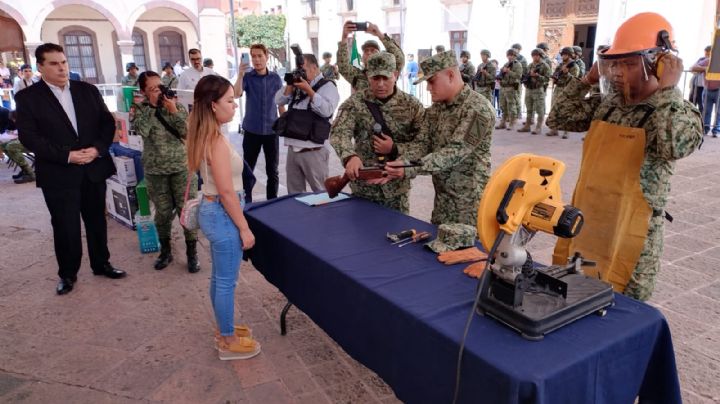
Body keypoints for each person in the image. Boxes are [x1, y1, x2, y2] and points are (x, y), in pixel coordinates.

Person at [547, 12, 703, 301]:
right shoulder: (608, 105)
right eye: (614, 63)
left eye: (629, 64)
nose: (618, 73)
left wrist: (669, 90)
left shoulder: (674, 111)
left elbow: (673, 145)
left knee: (622, 312)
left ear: (658, 62)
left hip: (632, 234)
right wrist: (586, 80)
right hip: (588, 225)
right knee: (571, 301)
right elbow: (558, 118)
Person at [15, 42, 126, 295]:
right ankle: (68, 274)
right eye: (54, 64)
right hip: (58, 173)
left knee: (97, 220)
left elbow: (106, 124)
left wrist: (97, 149)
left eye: (63, 62)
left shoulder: (87, 90)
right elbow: (29, 137)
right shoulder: (28, 98)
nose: (61, 68)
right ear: (40, 67)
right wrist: (67, 156)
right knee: (65, 226)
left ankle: (102, 264)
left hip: (92, 167)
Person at [186, 74, 260, 360]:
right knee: (226, 281)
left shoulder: (210, 134)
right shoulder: (214, 140)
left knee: (219, 278)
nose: (235, 105)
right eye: (229, 100)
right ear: (213, 105)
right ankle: (227, 340)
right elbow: (228, 192)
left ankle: (224, 328)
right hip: (221, 211)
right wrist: (244, 228)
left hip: (215, 208)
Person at [384, 50, 495, 226]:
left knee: (467, 253)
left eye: (431, 81)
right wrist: (399, 164)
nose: (428, 88)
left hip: (469, 207)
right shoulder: (437, 109)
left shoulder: (479, 109)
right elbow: (422, 144)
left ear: (450, 75)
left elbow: (455, 152)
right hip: (442, 201)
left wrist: (410, 168)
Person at [330, 52, 424, 213]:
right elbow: (339, 132)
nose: (381, 84)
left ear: (395, 75)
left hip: (397, 191)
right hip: (364, 190)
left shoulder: (412, 106)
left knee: (397, 235)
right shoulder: (355, 103)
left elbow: (422, 144)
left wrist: (395, 150)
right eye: (375, 78)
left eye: (385, 78)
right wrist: (349, 156)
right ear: (367, 76)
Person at [131, 71, 199, 273]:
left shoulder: (174, 105)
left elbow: (187, 132)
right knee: (161, 213)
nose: (159, 92)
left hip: (181, 168)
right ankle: (166, 251)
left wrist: (173, 110)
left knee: (187, 210)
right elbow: (142, 130)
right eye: (152, 89)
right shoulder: (139, 109)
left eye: (159, 87)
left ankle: (192, 253)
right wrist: (153, 106)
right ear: (143, 92)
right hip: (155, 170)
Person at [274, 53, 340, 193]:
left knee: (321, 192)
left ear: (314, 67)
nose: (300, 73)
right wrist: (290, 86)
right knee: (294, 194)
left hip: (314, 150)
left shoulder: (328, 86)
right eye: (298, 69)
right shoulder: (296, 84)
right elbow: (278, 101)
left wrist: (309, 91)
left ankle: (323, 216)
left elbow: (327, 111)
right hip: (293, 149)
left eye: (303, 69)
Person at [233, 43, 284, 200]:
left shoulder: (275, 78)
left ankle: (272, 202)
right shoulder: (248, 77)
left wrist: (286, 124)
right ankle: (246, 201)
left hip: (271, 131)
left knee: (272, 171)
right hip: (252, 131)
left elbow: (281, 103)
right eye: (253, 56)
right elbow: (236, 94)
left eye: (259, 56)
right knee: (247, 169)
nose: (256, 60)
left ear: (266, 57)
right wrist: (240, 74)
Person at [337, 21, 404, 92]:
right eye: (366, 51)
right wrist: (344, 37)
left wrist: (379, 34)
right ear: (362, 58)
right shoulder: (357, 76)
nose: (369, 53)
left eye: (373, 50)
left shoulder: (389, 70)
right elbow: (343, 66)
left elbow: (399, 58)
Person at [547, 47, 580, 138]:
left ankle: (566, 131)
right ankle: (554, 129)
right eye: (562, 54)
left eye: (565, 54)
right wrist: (554, 78)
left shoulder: (574, 66)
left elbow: (574, 80)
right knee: (554, 108)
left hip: (567, 90)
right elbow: (555, 74)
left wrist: (567, 73)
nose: (563, 56)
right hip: (558, 88)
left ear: (569, 55)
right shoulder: (560, 65)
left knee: (566, 110)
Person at [518, 48, 552, 134]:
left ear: (540, 56)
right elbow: (526, 76)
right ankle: (527, 125)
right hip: (529, 89)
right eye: (533, 55)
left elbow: (547, 79)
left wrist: (537, 76)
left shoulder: (545, 66)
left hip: (538, 89)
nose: (534, 57)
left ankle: (538, 127)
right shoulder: (530, 65)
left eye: (536, 55)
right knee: (529, 108)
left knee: (540, 109)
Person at [691, 48, 719, 136]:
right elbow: (693, 68)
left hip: (719, 90)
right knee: (706, 111)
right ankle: (705, 129)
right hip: (707, 90)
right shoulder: (707, 61)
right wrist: (705, 68)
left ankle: (716, 130)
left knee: (719, 112)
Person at [495, 48, 523, 130]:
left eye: (512, 55)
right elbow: (501, 74)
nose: (510, 57)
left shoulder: (518, 65)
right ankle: (503, 122)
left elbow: (518, 76)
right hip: (503, 87)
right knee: (503, 105)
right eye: (509, 55)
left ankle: (512, 123)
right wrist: (499, 78)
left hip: (511, 87)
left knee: (511, 106)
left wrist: (508, 71)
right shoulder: (506, 64)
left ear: (515, 56)